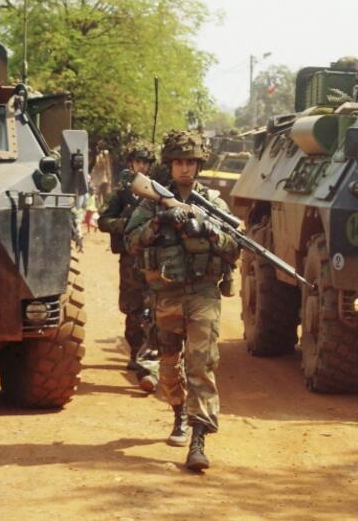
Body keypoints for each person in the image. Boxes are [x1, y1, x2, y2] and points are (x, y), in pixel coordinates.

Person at [125, 130, 239, 471]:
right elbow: (131, 241)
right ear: (169, 165)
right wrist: (160, 221)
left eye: (190, 162)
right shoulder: (150, 202)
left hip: (203, 292)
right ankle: (178, 412)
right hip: (166, 293)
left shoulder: (215, 204)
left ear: (199, 165)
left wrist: (209, 231)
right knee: (168, 367)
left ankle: (198, 440)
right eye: (178, 162)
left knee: (201, 365)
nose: (185, 169)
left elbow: (235, 248)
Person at [98, 142, 157, 382]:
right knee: (133, 306)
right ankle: (136, 351)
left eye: (146, 162)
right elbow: (103, 220)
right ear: (131, 163)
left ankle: (152, 354)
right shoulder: (123, 191)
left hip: (154, 257)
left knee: (154, 305)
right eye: (138, 161)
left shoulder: (157, 190)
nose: (142, 166)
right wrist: (125, 225)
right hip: (131, 258)